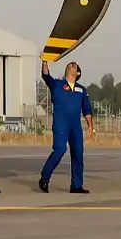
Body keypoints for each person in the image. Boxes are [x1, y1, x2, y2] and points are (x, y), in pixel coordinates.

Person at [38, 57, 95, 194]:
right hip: (61, 123)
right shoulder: (57, 84)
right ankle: (44, 178)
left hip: (75, 125)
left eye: (74, 65)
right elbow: (45, 75)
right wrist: (45, 61)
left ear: (78, 73)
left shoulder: (82, 90)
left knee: (78, 154)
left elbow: (86, 109)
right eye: (70, 65)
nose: (71, 65)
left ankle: (76, 185)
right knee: (59, 150)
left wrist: (91, 126)